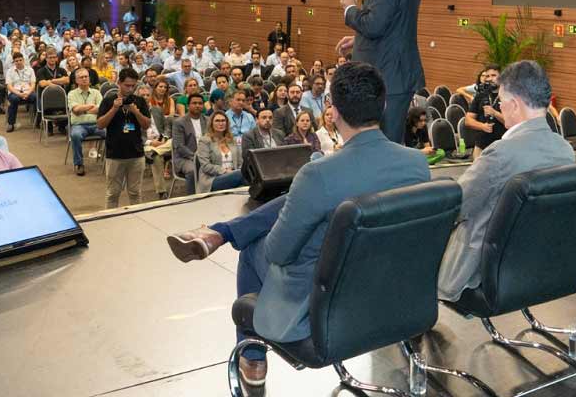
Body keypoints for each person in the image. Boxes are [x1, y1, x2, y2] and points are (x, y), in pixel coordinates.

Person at [165, 61, 430, 386]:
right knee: (297, 200)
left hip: (327, 303)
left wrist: (310, 183)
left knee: (252, 249)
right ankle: (220, 232)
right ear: (385, 105)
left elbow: (278, 250)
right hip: (390, 295)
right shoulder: (417, 166)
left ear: (332, 112)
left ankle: (252, 357)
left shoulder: (319, 175)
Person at [438, 60, 576, 301]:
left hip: (484, 269)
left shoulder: (500, 155)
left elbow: (456, 207)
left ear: (514, 105)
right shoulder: (565, 150)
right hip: (539, 259)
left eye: (501, 101)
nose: (500, 106)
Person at [337, 0, 425, 144]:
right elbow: (389, 27)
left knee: (385, 147)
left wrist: (350, 9)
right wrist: (357, 40)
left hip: (389, 78)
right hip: (394, 76)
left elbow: (375, 25)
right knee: (387, 146)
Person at [96, 67, 151, 208]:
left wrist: (136, 112)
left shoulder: (139, 101)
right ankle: (111, 221)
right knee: (113, 194)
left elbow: (146, 125)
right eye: (127, 85)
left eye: (133, 86)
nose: (130, 89)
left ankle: (137, 220)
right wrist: (114, 109)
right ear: (119, 83)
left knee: (135, 192)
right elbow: (100, 125)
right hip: (115, 154)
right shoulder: (108, 101)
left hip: (136, 153)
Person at [67, 68, 106, 176]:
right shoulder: (71, 94)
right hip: (79, 125)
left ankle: (110, 161)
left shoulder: (96, 93)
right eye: (81, 77)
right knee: (75, 135)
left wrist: (82, 109)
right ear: (76, 80)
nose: (84, 79)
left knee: (111, 132)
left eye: (86, 77)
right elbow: (75, 110)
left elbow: (101, 109)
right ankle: (79, 164)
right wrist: (92, 107)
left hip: (97, 124)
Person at [195, 111, 244, 193]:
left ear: (227, 123)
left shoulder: (232, 140)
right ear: (211, 124)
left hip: (233, 174)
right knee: (241, 175)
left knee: (245, 174)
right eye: (217, 121)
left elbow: (240, 162)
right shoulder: (204, 141)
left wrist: (237, 170)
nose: (221, 123)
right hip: (212, 179)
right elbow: (206, 166)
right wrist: (224, 171)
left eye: (223, 121)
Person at [171, 92, 208, 194]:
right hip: (185, 158)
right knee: (192, 171)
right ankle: (192, 199)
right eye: (194, 103)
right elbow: (179, 146)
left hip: (205, 156)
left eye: (200, 103)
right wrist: (197, 157)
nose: (197, 105)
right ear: (188, 105)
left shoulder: (207, 120)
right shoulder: (179, 123)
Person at [466, 65, 504, 159]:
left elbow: (512, 123)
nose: (490, 79)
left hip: (503, 145)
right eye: (487, 76)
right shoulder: (480, 96)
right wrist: (482, 126)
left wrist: (495, 113)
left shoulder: (508, 95)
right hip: (481, 145)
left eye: (493, 75)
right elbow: (468, 120)